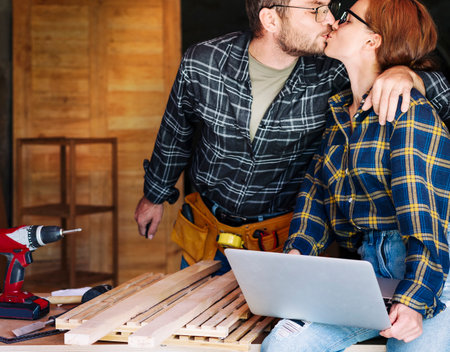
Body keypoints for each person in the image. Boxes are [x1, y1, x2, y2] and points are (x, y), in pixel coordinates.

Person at [134, 0, 450, 272]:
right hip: (205, 233)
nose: (329, 19)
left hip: (285, 241)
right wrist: (154, 195)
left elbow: (440, 96)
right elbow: (176, 131)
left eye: (329, 8)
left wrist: (405, 74)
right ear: (271, 20)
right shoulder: (203, 61)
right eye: (315, 10)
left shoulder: (333, 69)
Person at [262, 0, 450, 350]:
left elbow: (427, 224)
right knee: (283, 346)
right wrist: (298, 253)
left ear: (372, 41)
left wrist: (413, 302)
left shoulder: (409, 113)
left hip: (431, 275)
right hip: (368, 277)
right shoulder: (339, 113)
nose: (333, 21)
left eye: (347, 18)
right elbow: (315, 195)